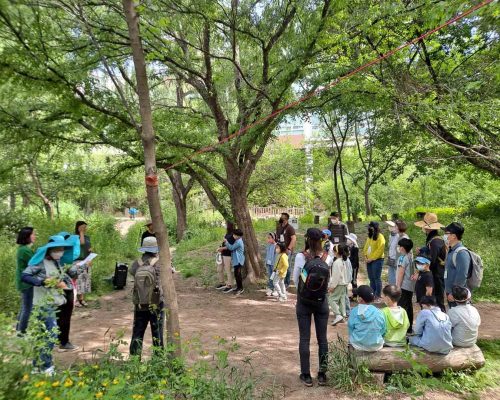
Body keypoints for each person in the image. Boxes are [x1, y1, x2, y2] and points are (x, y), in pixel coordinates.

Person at [21, 235, 79, 375]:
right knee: (52, 333)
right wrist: (44, 281)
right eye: (58, 249)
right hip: (43, 304)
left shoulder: (56, 262)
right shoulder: (39, 262)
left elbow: (65, 276)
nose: (60, 251)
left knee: (42, 336)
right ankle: (46, 367)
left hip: (53, 302)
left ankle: (37, 366)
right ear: (50, 250)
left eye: (62, 249)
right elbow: (25, 276)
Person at [292, 228, 329, 387]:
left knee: (304, 338)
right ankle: (322, 374)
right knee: (323, 339)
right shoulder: (328, 257)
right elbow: (329, 280)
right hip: (322, 301)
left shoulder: (301, 256)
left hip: (304, 302)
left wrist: (304, 292)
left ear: (307, 239)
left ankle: (306, 374)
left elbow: (295, 279)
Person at [129, 236, 164, 358]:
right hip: (156, 302)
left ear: (144, 249)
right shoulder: (159, 262)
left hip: (140, 303)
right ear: (155, 249)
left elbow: (132, 272)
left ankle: (134, 359)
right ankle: (158, 359)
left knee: (138, 331)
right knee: (157, 331)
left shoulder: (136, 263)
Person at [415, 213, 447, 312]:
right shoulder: (433, 240)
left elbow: (431, 260)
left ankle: (441, 322)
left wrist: (419, 269)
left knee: (436, 301)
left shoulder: (435, 241)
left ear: (428, 228)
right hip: (434, 274)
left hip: (436, 276)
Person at [348, 285, 386, 352]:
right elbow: (383, 330)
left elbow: (351, 329)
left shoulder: (354, 311)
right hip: (376, 345)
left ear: (360, 299)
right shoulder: (379, 312)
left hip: (357, 345)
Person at [443, 222, 471, 308]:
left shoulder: (461, 253)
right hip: (451, 293)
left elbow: (462, 275)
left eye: (446, 233)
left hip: (458, 296)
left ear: (454, 236)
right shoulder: (451, 251)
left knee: (460, 319)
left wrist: (453, 293)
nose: (444, 236)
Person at [15, 227, 36, 335]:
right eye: (33, 234)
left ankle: (18, 329)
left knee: (24, 306)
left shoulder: (23, 249)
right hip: (26, 282)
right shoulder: (25, 250)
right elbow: (34, 263)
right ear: (27, 236)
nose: (35, 236)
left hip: (23, 281)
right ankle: (21, 332)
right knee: (28, 308)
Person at [395, 238, 415, 333]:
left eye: (399, 246)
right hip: (410, 286)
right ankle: (409, 328)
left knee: (402, 307)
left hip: (403, 285)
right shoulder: (410, 257)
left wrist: (398, 286)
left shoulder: (402, 258)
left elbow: (400, 273)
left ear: (402, 248)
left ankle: (403, 328)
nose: (398, 248)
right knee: (409, 306)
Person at [363, 221, 386, 301]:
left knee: (376, 278)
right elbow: (366, 247)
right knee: (371, 278)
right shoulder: (370, 236)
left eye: (370, 227)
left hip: (377, 260)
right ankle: (372, 293)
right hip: (369, 260)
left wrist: (372, 258)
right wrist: (365, 256)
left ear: (374, 227)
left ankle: (377, 294)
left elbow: (380, 250)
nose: (369, 228)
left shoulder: (380, 237)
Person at [328, 244, 350, 326]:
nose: (333, 252)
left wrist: (332, 287)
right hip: (343, 284)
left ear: (336, 252)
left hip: (338, 284)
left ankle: (338, 315)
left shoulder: (336, 262)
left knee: (331, 299)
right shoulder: (342, 261)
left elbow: (336, 276)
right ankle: (343, 316)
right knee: (342, 300)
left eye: (334, 251)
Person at [276, 213, 297, 287]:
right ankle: (280, 280)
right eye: (281, 217)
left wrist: (289, 248)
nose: (282, 219)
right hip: (280, 249)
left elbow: (294, 239)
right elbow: (277, 237)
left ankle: (286, 283)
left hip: (287, 250)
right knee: (280, 265)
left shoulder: (290, 228)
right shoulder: (279, 226)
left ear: (287, 219)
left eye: (283, 218)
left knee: (287, 266)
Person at [386, 220, 409, 285]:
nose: (394, 227)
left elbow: (405, 254)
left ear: (399, 227)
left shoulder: (404, 238)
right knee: (392, 280)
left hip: (399, 263)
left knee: (398, 282)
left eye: (395, 226)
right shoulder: (397, 236)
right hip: (393, 260)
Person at [223, 229, 245, 296]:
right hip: (237, 260)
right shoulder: (238, 240)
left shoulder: (238, 242)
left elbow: (231, 248)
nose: (233, 236)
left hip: (238, 260)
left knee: (238, 275)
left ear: (239, 236)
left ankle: (240, 288)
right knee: (236, 275)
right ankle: (238, 287)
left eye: (235, 235)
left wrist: (226, 241)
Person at [75, 221, 92, 307]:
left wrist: (90, 256)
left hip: (86, 260)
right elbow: (81, 243)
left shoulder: (87, 237)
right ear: (78, 227)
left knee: (84, 281)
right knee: (78, 280)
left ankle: (81, 299)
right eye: (83, 227)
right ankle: (76, 300)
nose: (85, 229)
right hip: (78, 260)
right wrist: (80, 232)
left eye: (85, 227)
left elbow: (88, 247)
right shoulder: (75, 237)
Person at [218, 222, 237, 293]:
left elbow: (230, 247)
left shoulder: (233, 235)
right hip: (222, 254)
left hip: (228, 255)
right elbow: (224, 243)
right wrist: (220, 248)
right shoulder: (227, 233)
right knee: (219, 269)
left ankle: (230, 285)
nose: (225, 225)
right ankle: (222, 282)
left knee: (228, 270)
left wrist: (222, 248)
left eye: (226, 224)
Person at [346, 233, 359, 297]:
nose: (347, 240)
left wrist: (353, 267)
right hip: (349, 266)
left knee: (353, 281)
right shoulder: (349, 247)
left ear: (352, 241)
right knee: (349, 279)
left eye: (348, 239)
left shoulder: (355, 248)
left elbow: (355, 259)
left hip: (354, 267)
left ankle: (355, 295)